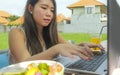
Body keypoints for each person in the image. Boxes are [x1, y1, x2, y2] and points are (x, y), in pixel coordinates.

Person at [8, 0, 104, 64]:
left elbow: (67, 47)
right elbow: (25, 63)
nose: (49, 14)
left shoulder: (51, 33)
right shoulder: (16, 33)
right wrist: (55, 49)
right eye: (44, 8)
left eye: (52, 10)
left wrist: (81, 45)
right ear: (30, 8)